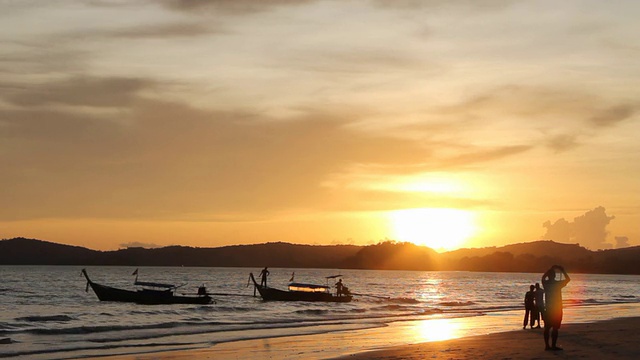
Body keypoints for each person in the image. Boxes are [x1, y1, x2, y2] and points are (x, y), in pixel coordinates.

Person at [541, 265, 571, 351]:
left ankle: (547, 346)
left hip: (548, 308)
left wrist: (550, 269)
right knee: (555, 328)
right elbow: (568, 279)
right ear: (554, 276)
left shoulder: (546, 284)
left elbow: (543, 277)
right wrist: (562, 270)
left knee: (547, 328)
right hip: (557, 309)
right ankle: (553, 345)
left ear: (549, 275)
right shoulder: (557, 284)